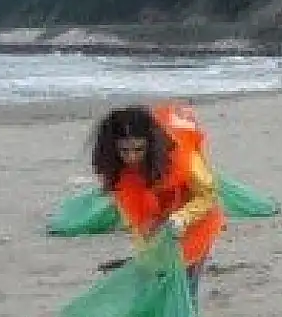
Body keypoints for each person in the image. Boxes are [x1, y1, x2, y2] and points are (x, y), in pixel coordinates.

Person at [91, 105, 226, 304]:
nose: (131, 158)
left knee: (186, 288)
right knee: (156, 282)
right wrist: (147, 250)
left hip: (197, 218)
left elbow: (208, 195)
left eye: (138, 149)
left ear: (151, 144)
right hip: (158, 219)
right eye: (124, 151)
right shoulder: (117, 170)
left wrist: (181, 218)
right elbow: (134, 217)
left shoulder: (183, 158)